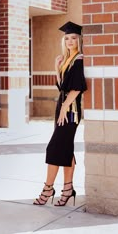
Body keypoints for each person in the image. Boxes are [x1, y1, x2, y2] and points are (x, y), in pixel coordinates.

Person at [33, 21, 87, 206]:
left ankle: (48, 189)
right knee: (65, 148)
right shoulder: (67, 60)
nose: (70, 41)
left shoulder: (79, 59)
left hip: (70, 110)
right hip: (62, 106)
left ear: (79, 40)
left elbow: (77, 88)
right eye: (67, 38)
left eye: (73, 38)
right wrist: (57, 69)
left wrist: (64, 107)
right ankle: (67, 189)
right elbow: (62, 87)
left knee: (54, 148)